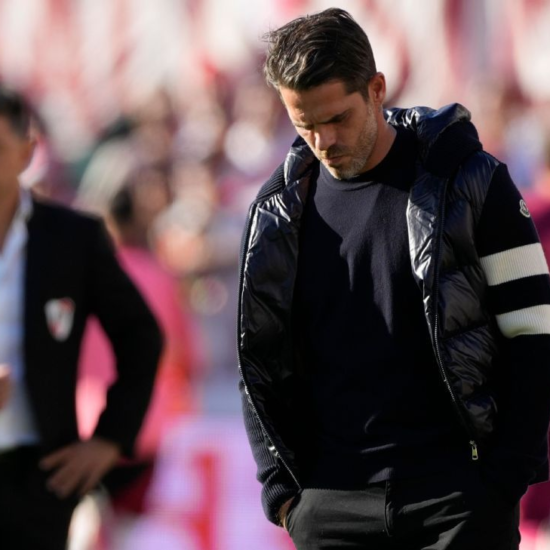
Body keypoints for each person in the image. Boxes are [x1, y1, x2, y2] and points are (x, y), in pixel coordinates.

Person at [237, 8, 550, 550]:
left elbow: (534, 331)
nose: (323, 139)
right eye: (305, 124)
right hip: (330, 506)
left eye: (338, 118)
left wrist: (505, 477)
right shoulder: (276, 214)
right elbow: (257, 357)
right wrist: (285, 495)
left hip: (457, 502)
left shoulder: (474, 182)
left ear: (377, 89)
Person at [0, 85, 162, 550]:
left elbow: (141, 336)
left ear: (27, 152)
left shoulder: (71, 239)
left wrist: (110, 440)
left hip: (40, 478)